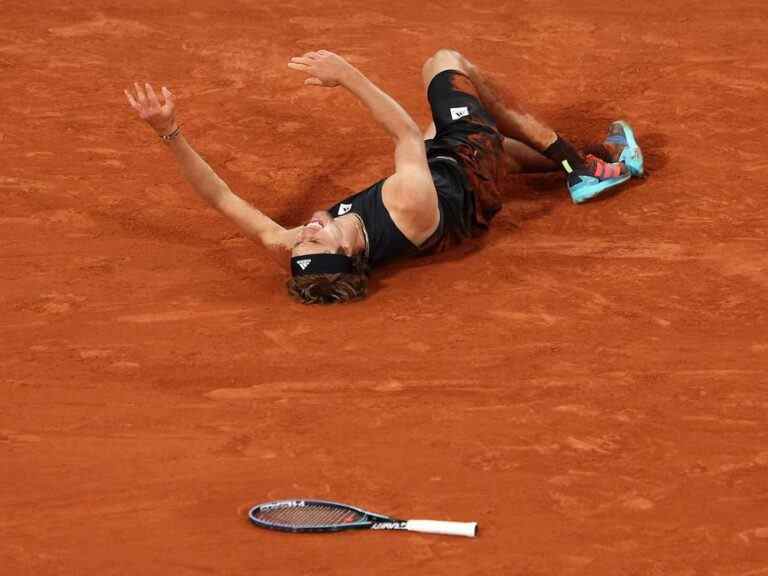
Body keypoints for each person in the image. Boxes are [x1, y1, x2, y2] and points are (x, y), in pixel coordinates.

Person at [125, 49, 643, 304]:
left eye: (300, 239)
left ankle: (546, 160)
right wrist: (346, 74)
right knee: (444, 65)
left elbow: (221, 198)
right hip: (464, 168)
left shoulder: (306, 250)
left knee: (501, 149)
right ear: (349, 252)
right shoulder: (405, 204)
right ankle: (583, 168)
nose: (306, 229)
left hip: (457, 195)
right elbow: (402, 135)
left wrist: (169, 133)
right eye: (316, 235)